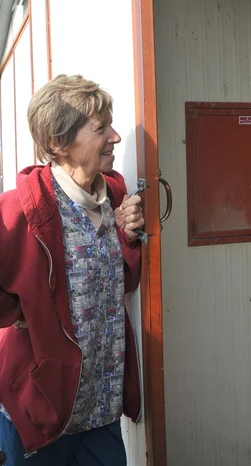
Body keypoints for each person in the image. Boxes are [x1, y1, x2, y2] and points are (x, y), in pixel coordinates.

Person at [0, 75, 144, 465]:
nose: (114, 137)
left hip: (101, 408)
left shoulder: (113, 193)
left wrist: (126, 236)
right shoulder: (21, 209)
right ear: (57, 144)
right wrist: (19, 309)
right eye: (101, 128)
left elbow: (123, 284)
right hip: (43, 412)